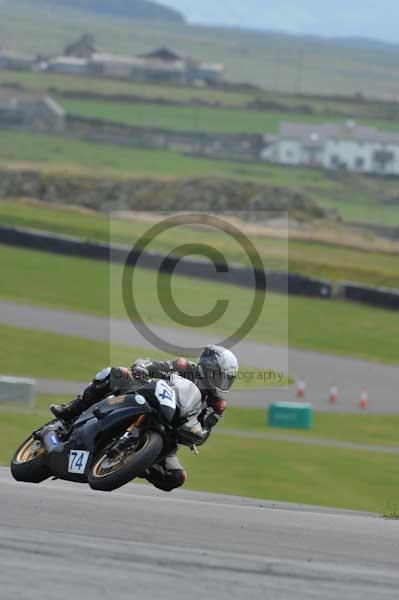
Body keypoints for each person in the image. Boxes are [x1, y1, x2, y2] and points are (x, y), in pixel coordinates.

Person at [50, 345, 239, 492]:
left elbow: (205, 431)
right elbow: (151, 364)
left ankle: (137, 463)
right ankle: (72, 409)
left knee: (176, 477)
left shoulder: (217, 405)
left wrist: (195, 434)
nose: (222, 382)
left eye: (226, 378)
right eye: (220, 375)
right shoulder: (183, 367)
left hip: (170, 433)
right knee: (116, 373)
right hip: (147, 397)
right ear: (208, 367)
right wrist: (141, 368)